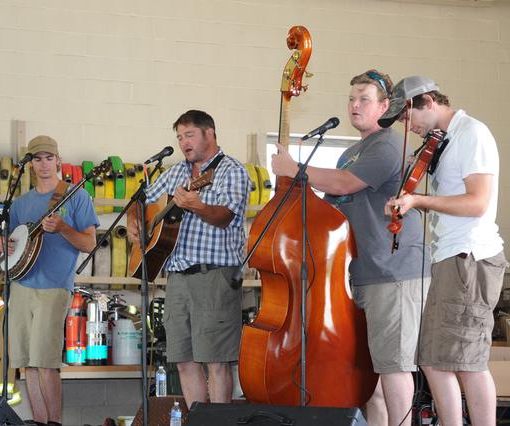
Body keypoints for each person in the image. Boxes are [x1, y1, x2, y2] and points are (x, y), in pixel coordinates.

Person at [272, 70, 430, 426]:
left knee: (393, 368)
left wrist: (296, 169)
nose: (355, 105)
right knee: (370, 379)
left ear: (384, 106)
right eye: (351, 98)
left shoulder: (387, 144)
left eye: (364, 99)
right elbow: (333, 206)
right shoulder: (351, 152)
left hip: (393, 273)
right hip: (360, 275)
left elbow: (345, 184)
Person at [382, 76, 507, 426]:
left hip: (470, 258)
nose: (409, 126)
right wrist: (413, 203)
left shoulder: (472, 133)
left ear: (426, 102)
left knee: (468, 363)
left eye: (408, 118)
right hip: (450, 258)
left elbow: (478, 202)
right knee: (433, 360)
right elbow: (452, 200)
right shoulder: (446, 141)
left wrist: (419, 199)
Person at [127, 110, 250, 406]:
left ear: (210, 134)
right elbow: (139, 199)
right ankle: (197, 419)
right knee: (183, 360)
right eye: (180, 137)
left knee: (216, 361)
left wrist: (198, 207)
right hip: (178, 278)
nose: (184, 142)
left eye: (190, 135)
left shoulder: (231, 170)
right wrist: (135, 221)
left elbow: (224, 217)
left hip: (215, 276)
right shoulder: (175, 172)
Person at [0, 135, 98, 426]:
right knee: (27, 363)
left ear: (58, 161)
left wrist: (63, 227)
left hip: (54, 287)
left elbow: (89, 243)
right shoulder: (20, 204)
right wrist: (1, 245)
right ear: (30, 165)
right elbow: (11, 243)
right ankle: (39, 421)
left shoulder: (75, 196)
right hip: (21, 285)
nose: (43, 164)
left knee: (46, 362)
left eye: (48, 158)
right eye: (37, 159)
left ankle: (54, 422)